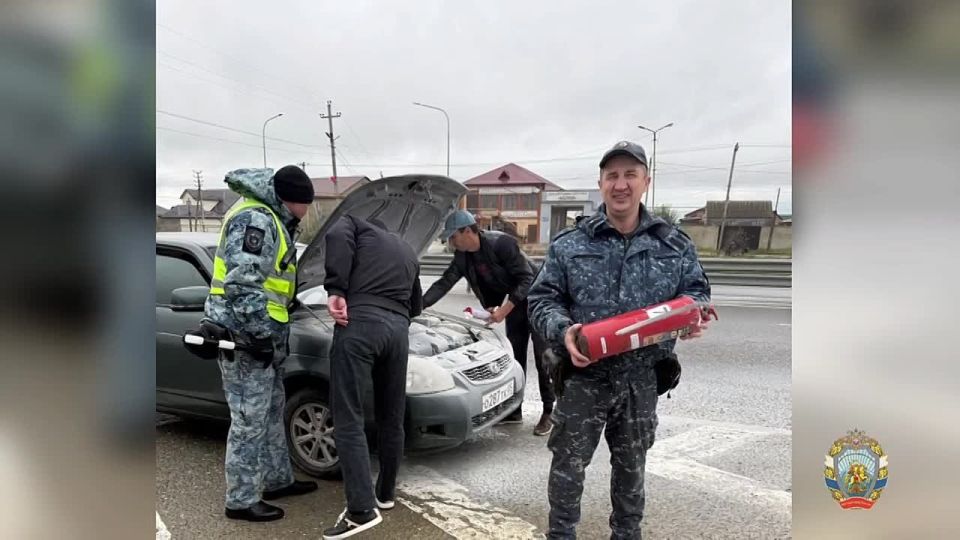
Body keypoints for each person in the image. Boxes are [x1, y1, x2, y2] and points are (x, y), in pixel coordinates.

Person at [528, 141, 711, 539]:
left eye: (630, 174)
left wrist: (691, 317)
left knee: (632, 472)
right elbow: (542, 299)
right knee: (567, 470)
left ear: (646, 181)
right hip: (583, 378)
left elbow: (696, 293)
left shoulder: (673, 244)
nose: (621, 184)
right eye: (612, 175)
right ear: (601, 183)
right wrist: (564, 330)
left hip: (641, 379)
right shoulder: (570, 244)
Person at [203, 166, 319, 522]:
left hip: (268, 331)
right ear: (291, 200)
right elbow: (242, 283)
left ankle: (276, 479)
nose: (307, 212)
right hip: (246, 336)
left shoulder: (274, 218)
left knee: (270, 410)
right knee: (248, 419)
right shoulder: (256, 220)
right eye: (305, 205)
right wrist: (256, 334)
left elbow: (272, 281)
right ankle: (240, 499)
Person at [321, 215, 423, 540]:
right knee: (391, 417)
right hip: (398, 333)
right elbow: (416, 306)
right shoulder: (407, 249)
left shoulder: (353, 224)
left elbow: (336, 234)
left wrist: (336, 287)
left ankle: (361, 511)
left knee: (349, 416)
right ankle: (386, 493)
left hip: (360, 323)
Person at [422, 210, 556, 436]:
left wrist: (504, 309)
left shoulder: (501, 244)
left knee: (543, 358)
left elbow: (526, 278)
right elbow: (444, 283)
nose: (451, 242)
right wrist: (418, 305)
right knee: (516, 356)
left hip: (537, 298)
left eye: (453, 237)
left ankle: (548, 412)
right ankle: (515, 410)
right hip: (514, 303)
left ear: (467, 231)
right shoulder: (463, 257)